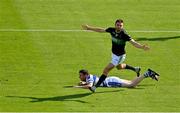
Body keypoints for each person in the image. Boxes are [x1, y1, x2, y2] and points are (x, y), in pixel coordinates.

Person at [82, 19, 150, 92]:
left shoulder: (124, 34)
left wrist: (142, 47)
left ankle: (95, 87)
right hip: (114, 54)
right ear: (115, 25)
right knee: (119, 67)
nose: (119, 27)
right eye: (118, 25)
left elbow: (134, 43)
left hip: (120, 56)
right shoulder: (112, 30)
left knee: (106, 70)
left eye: (121, 25)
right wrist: (89, 28)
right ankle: (135, 69)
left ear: (122, 26)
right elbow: (101, 30)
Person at [74, 69, 159, 89]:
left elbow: (90, 85)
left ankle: (147, 73)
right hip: (112, 79)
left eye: (81, 75)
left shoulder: (89, 78)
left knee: (132, 84)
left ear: (85, 75)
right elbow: (90, 83)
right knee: (131, 82)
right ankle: (148, 74)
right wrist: (83, 83)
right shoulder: (89, 77)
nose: (79, 77)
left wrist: (78, 87)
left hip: (112, 82)